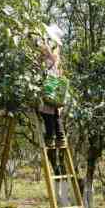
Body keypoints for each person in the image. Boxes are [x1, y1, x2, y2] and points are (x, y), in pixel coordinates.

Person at [38, 24, 66, 176]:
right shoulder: (56, 54)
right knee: (55, 116)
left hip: (49, 87)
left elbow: (42, 59)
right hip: (54, 88)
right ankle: (60, 138)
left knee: (48, 114)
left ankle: (50, 139)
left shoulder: (49, 51)